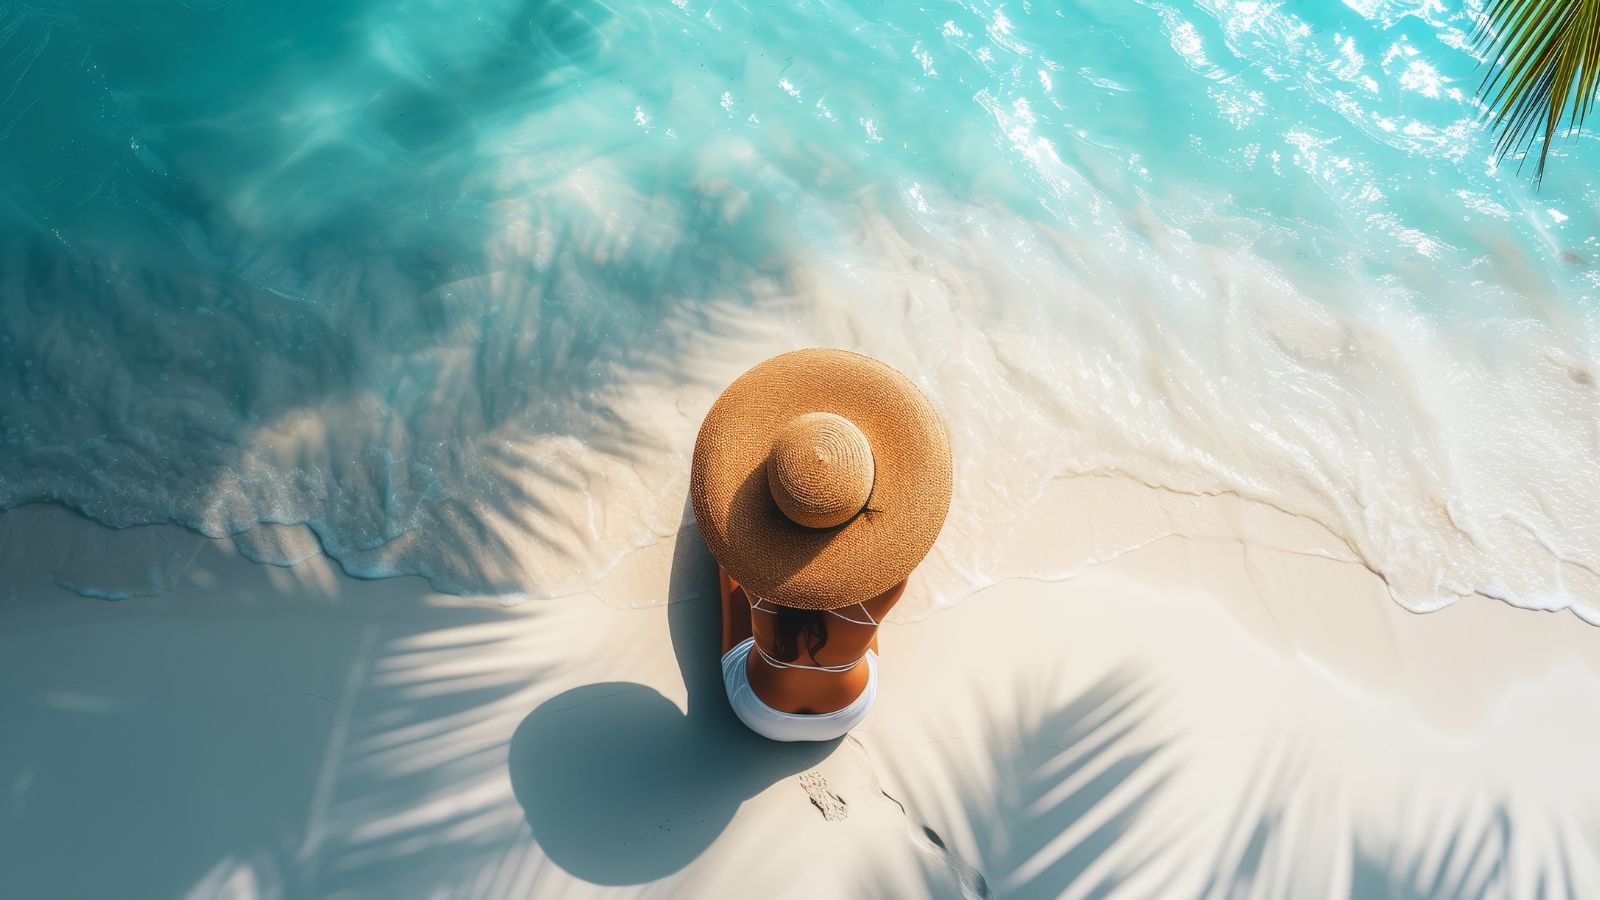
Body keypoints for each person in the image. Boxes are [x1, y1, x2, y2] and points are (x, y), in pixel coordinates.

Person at [689, 348, 953, 741]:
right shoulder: (892, 584)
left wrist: (730, 529)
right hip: (849, 710)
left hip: (757, 709)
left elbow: (737, 561)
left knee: (728, 562)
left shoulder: (760, 577)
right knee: (864, 608)